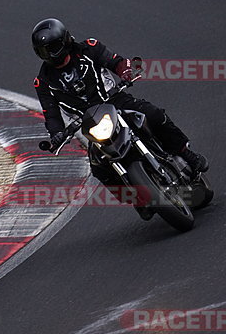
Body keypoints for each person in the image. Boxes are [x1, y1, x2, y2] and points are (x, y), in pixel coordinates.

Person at [31, 18, 209, 219]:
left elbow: (115, 61)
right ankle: (137, 198)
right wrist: (56, 134)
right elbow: (51, 114)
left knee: (154, 115)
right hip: (89, 122)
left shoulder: (89, 48)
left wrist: (125, 71)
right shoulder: (43, 82)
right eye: (43, 51)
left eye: (52, 47)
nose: (50, 54)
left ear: (64, 40)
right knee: (98, 167)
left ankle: (187, 154)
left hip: (115, 100)